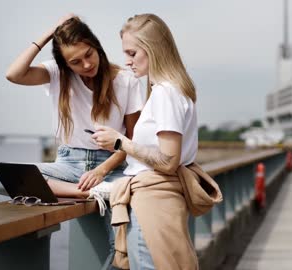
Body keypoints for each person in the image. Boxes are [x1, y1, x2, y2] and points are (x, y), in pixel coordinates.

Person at [0, 14, 143, 269]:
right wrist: (48, 34)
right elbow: (13, 74)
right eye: (75, 62)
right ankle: (88, 194)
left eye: (89, 54)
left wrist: (102, 170)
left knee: (121, 249)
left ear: (96, 45)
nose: (86, 65)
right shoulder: (58, 73)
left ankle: (100, 191)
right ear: (65, 64)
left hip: (111, 169)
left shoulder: (126, 80)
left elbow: (133, 140)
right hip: (69, 168)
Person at [93, 13, 222, 270]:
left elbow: (168, 160)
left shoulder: (165, 93)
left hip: (152, 204)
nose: (127, 62)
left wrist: (120, 142)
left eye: (132, 53)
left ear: (153, 49)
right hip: (161, 200)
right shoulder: (173, 90)